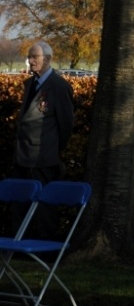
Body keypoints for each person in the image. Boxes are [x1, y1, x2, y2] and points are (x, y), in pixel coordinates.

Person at [13, 41, 75, 238]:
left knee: (43, 206)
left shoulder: (58, 86)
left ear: (47, 59)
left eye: (35, 57)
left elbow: (66, 124)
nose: (30, 61)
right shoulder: (30, 84)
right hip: (22, 154)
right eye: (29, 57)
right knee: (20, 201)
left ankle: (43, 248)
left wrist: (53, 150)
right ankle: (20, 244)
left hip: (43, 156)